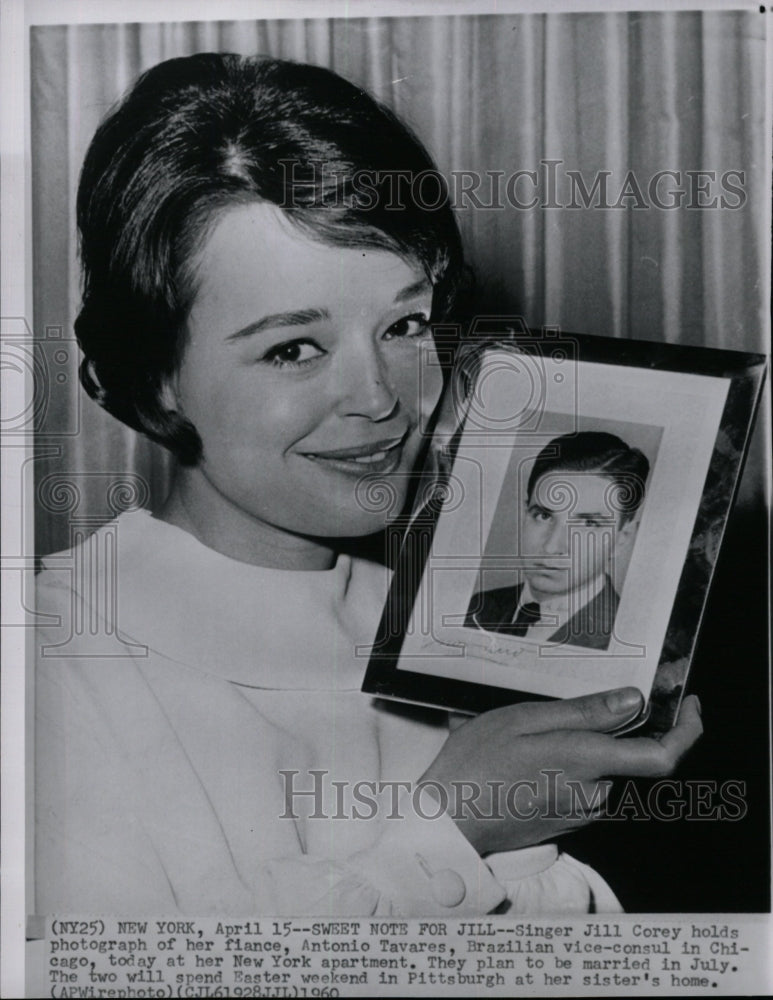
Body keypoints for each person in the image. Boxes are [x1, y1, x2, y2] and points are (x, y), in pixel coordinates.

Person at [33, 53, 701, 918]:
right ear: (156, 375)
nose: (383, 396)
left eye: (405, 324)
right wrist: (451, 828)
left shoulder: (456, 621)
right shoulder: (52, 661)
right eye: (292, 348)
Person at [466, 431, 649, 649]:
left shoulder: (627, 637)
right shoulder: (476, 607)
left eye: (588, 524)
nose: (552, 547)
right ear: (526, 512)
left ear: (621, 540)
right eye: (543, 516)